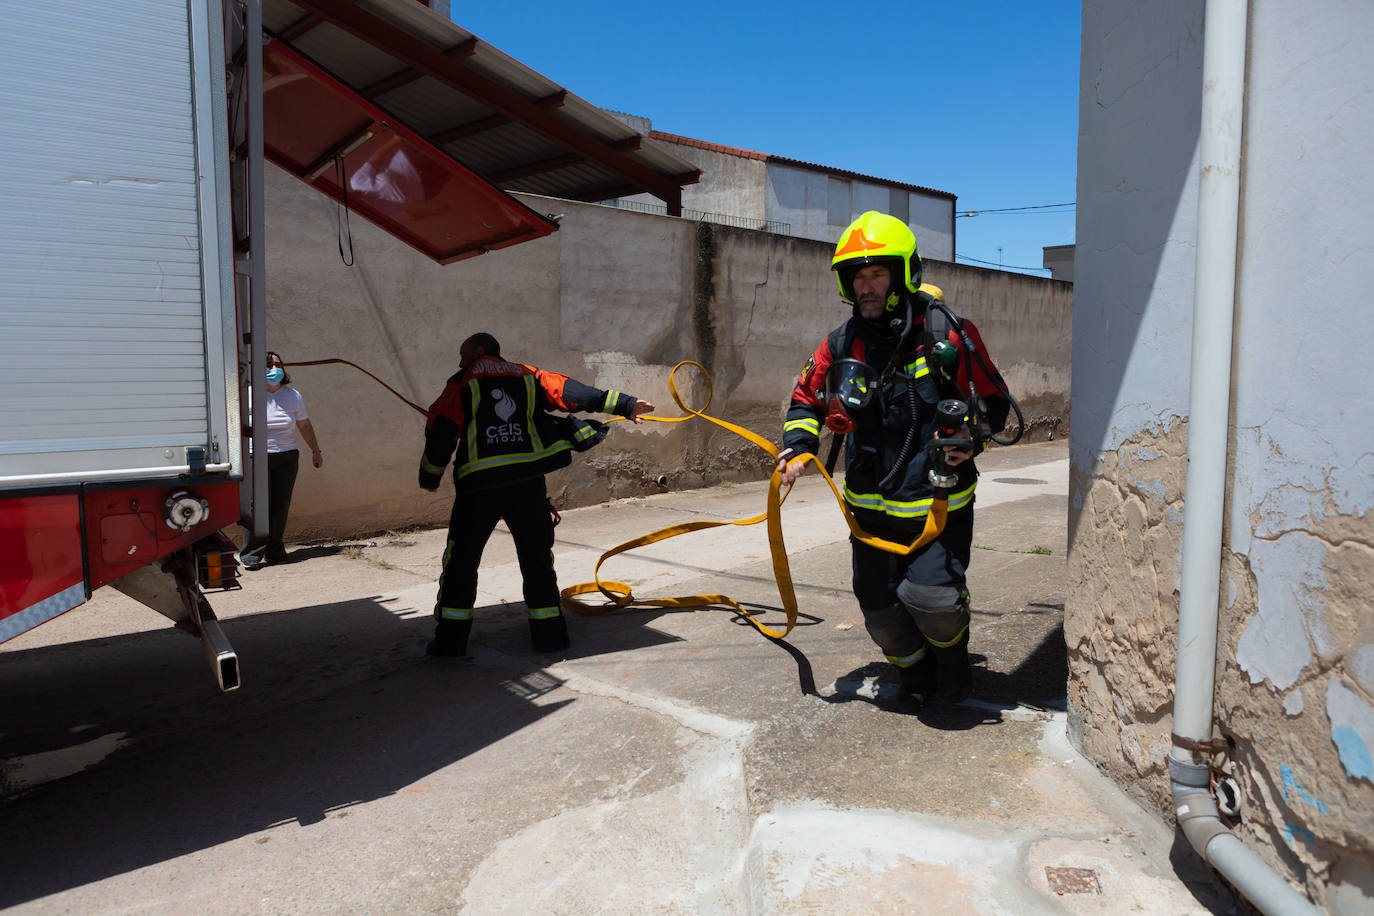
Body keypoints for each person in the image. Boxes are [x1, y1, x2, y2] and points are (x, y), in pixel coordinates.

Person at [776, 212, 1011, 709]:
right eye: (857, 276)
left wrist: (971, 437)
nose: (866, 286)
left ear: (904, 274)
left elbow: (991, 402)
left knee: (934, 600)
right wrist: (798, 447)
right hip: (869, 509)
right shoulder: (840, 343)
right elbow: (806, 398)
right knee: (880, 611)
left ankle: (952, 667)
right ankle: (916, 674)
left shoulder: (946, 334)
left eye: (877, 273)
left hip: (936, 505)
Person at [418, 332, 655, 656]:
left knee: (461, 563)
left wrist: (429, 477)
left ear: (478, 350)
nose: (460, 361)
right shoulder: (526, 375)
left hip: (479, 488)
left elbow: (442, 430)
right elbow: (572, 393)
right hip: (526, 482)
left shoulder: (462, 381)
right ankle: (550, 636)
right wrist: (626, 404)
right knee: (537, 560)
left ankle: (450, 642)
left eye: (463, 354)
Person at [241, 351, 324, 569]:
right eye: (269, 365)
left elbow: (304, 425)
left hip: (287, 456)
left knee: (280, 504)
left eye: (278, 365)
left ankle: (275, 551)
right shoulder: (249, 394)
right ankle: (252, 553)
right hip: (256, 456)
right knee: (257, 505)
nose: (274, 369)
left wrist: (316, 451)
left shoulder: (292, 395)